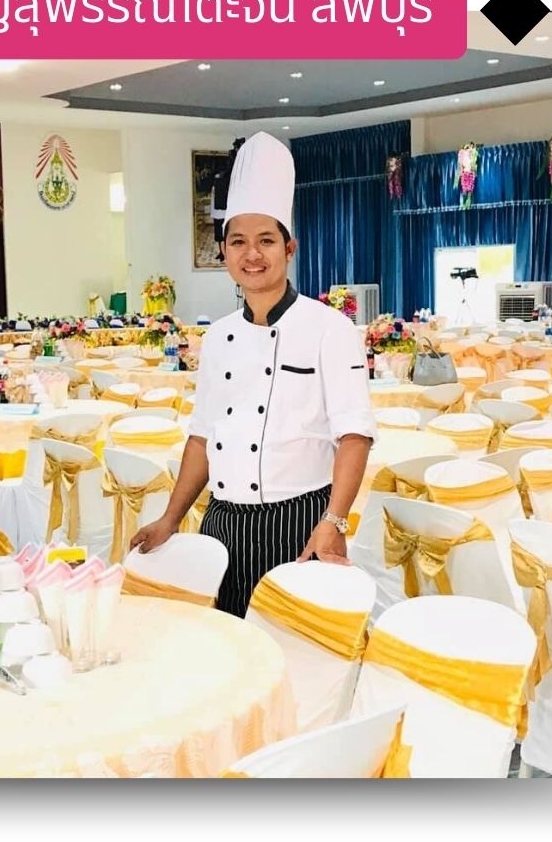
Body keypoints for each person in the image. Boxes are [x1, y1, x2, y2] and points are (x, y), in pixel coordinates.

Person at [129, 133, 375, 617]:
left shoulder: (330, 328)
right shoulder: (219, 336)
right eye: (238, 242)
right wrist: (171, 518)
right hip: (223, 524)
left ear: (289, 248)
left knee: (291, 648)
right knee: (224, 644)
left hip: (300, 523)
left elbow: (355, 436)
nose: (252, 254)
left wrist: (335, 522)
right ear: (224, 252)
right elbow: (202, 437)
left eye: (266, 240)